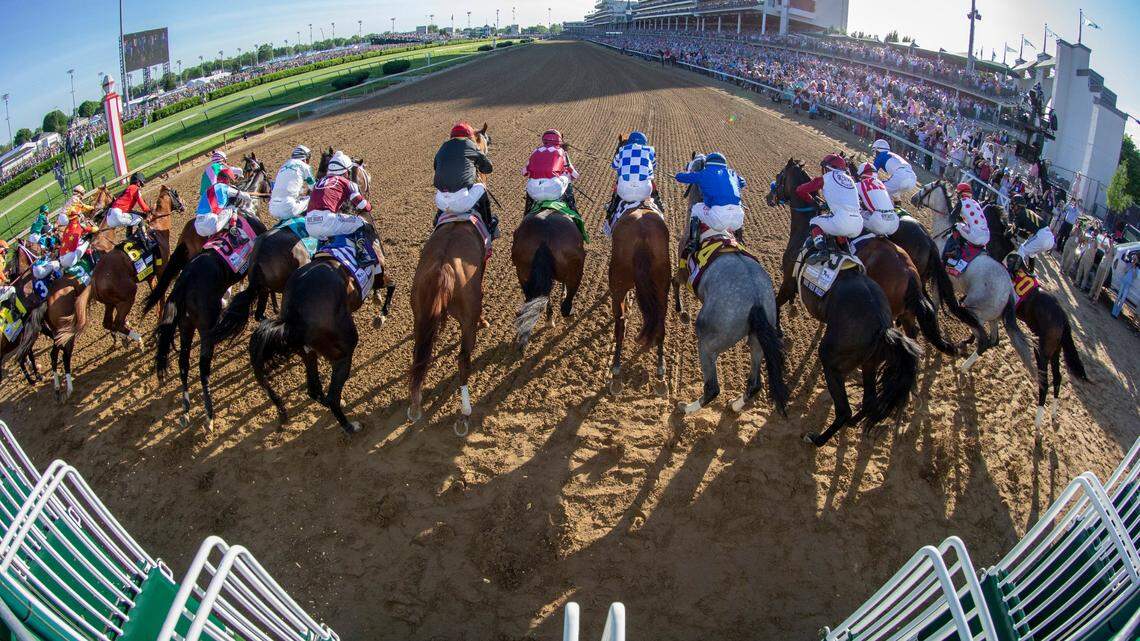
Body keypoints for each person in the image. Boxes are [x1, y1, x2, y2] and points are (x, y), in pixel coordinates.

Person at [305, 151, 378, 269]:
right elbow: (360, 204)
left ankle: (318, 254)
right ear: (346, 171)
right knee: (361, 224)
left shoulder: (319, 182)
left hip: (309, 224)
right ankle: (363, 255)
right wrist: (369, 207)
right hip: (327, 220)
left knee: (323, 234)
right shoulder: (345, 182)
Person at [674, 152, 746, 256]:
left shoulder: (704, 173)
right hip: (738, 221)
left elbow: (682, 178)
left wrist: (677, 176)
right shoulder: (732, 173)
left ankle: (693, 242)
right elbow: (743, 182)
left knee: (696, 208)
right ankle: (739, 238)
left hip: (719, 220)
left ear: (707, 164)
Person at [433, 122, 496, 237]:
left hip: (440, 201)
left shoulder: (443, 146)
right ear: (470, 136)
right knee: (481, 187)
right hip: (461, 202)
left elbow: (436, 166)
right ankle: (489, 223)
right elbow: (488, 168)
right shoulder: (470, 145)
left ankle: (437, 219)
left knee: (444, 190)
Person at [794, 154, 863, 254]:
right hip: (858, 225)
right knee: (839, 230)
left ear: (830, 167)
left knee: (814, 221)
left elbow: (800, 190)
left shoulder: (826, 178)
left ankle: (822, 251)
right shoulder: (850, 180)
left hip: (842, 222)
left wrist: (813, 202)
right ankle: (847, 251)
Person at [522, 129, 578, 213]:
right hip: (554, 189)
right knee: (567, 178)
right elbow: (574, 174)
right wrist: (568, 177)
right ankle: (572, 208)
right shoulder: (562, 152)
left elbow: (524, 172)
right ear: (559, 140)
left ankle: (527, 211)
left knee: (530, 180)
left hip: (534, 191)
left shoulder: (536, 151)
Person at [607, 130, 659, 218]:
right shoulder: (650, 150)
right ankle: (658, 202)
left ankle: (611, 208)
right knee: (650, 180)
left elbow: (614, 165)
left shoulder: (621, 149)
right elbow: (653, 167)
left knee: (618, 183)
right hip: (645, 192)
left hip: (624, 192)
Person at [942, 182, 990, 271]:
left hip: (976, 236)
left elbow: (951, 219)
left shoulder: (961, 202)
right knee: (963, 226)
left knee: (957, 225)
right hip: (987, 237)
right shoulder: (976, 202)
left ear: (960, 193)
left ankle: (954, 250)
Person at [195, 174, 252, 239]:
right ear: (227, 180)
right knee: (232, 208)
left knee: (220, 212)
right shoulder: (223, 187)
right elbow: (243, 195)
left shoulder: (208, 189)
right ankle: (233, 231)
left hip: (198, 227)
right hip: (210, 224)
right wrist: (249, 198)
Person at [268, 145, 316, 222]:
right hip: (288, 207)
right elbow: (314, 188)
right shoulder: (305, 166)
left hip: (272, 208)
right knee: (312, 198)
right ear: (305, 158)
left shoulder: (283, 166)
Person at [105, 173, 152, 245]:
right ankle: (147, 241)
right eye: (141, 183)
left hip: (109, 218)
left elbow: (129, 211)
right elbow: (143, 205)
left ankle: (129, 238)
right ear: (138, 182)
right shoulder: (135, 188)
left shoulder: (128, 189)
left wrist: (141, 213)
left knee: (131, 218)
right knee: (140, 220)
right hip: (117, 214)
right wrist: (149, 211)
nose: (141, 185)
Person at [1010, 194, 1053, 270]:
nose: (1012, 208)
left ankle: (1014, 272)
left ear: (1019, 206)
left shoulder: (1020, 215)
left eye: (1013, 205)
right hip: (1050, 238)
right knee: (1031, 253)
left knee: (1022, 250)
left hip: (1042, 236)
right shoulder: (1027, 212)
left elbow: (1011, 232)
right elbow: (1025, 234)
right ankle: (1031, 270)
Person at [855, 162, 899, 236]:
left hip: (879, 222)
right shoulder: (881, 183)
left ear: (861, 174)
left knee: (856, 214)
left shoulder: (859, 185)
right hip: (894, 223)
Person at [57, 205, 98, 270]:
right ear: (77, 216)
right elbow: (95, 229)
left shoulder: (66, 228)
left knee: (80, 242)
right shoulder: (80, 226)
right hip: (70, 259)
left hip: (61, 258)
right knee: (88, 239)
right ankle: (93, 267)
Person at [1113, 250, 1138, 318]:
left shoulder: (1136, 269)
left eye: (1135, 259)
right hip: (1123, 282)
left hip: (1128, 285)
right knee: (1118, 297)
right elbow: (1125, 271)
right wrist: (1131, 265)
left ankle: (1116, 314)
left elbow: (1134, 276)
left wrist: (1134, 267)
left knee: (1122, 299)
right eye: (1133, 259)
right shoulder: (1129, 264)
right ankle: (1113, 312)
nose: (1134, 260)